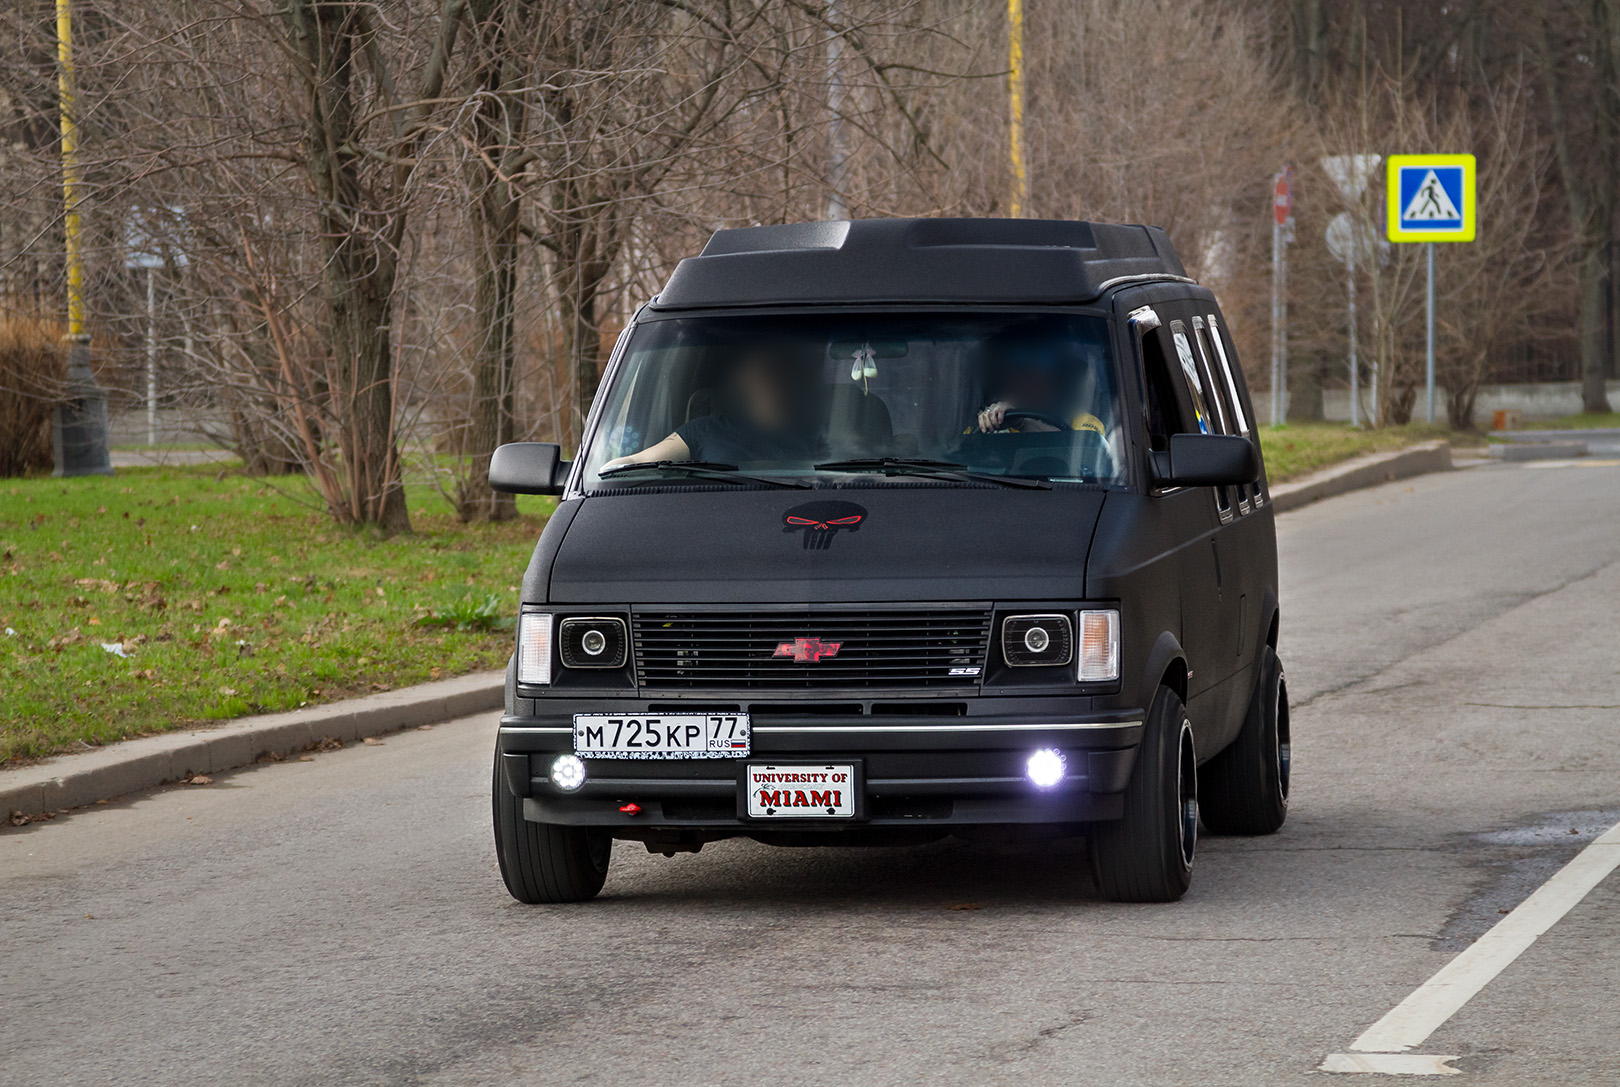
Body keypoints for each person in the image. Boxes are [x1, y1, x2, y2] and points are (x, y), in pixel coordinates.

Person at [601, 344, 823, 471]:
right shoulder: (705, 431)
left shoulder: (824, 432)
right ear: (743, 380)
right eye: (770, 373)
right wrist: (602, 473)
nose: (784, 384)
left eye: (790, 372)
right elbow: (635, 463)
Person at [973, 336, 1108, 435]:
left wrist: (1022, 423)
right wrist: (988, 422)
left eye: (1037, 376)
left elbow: (1083, 457)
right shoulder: (988, 423)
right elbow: (960, 459)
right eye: (1019, 375)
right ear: (1005, 381)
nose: (1028, 383)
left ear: (1055, 381)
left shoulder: (1081, 422)